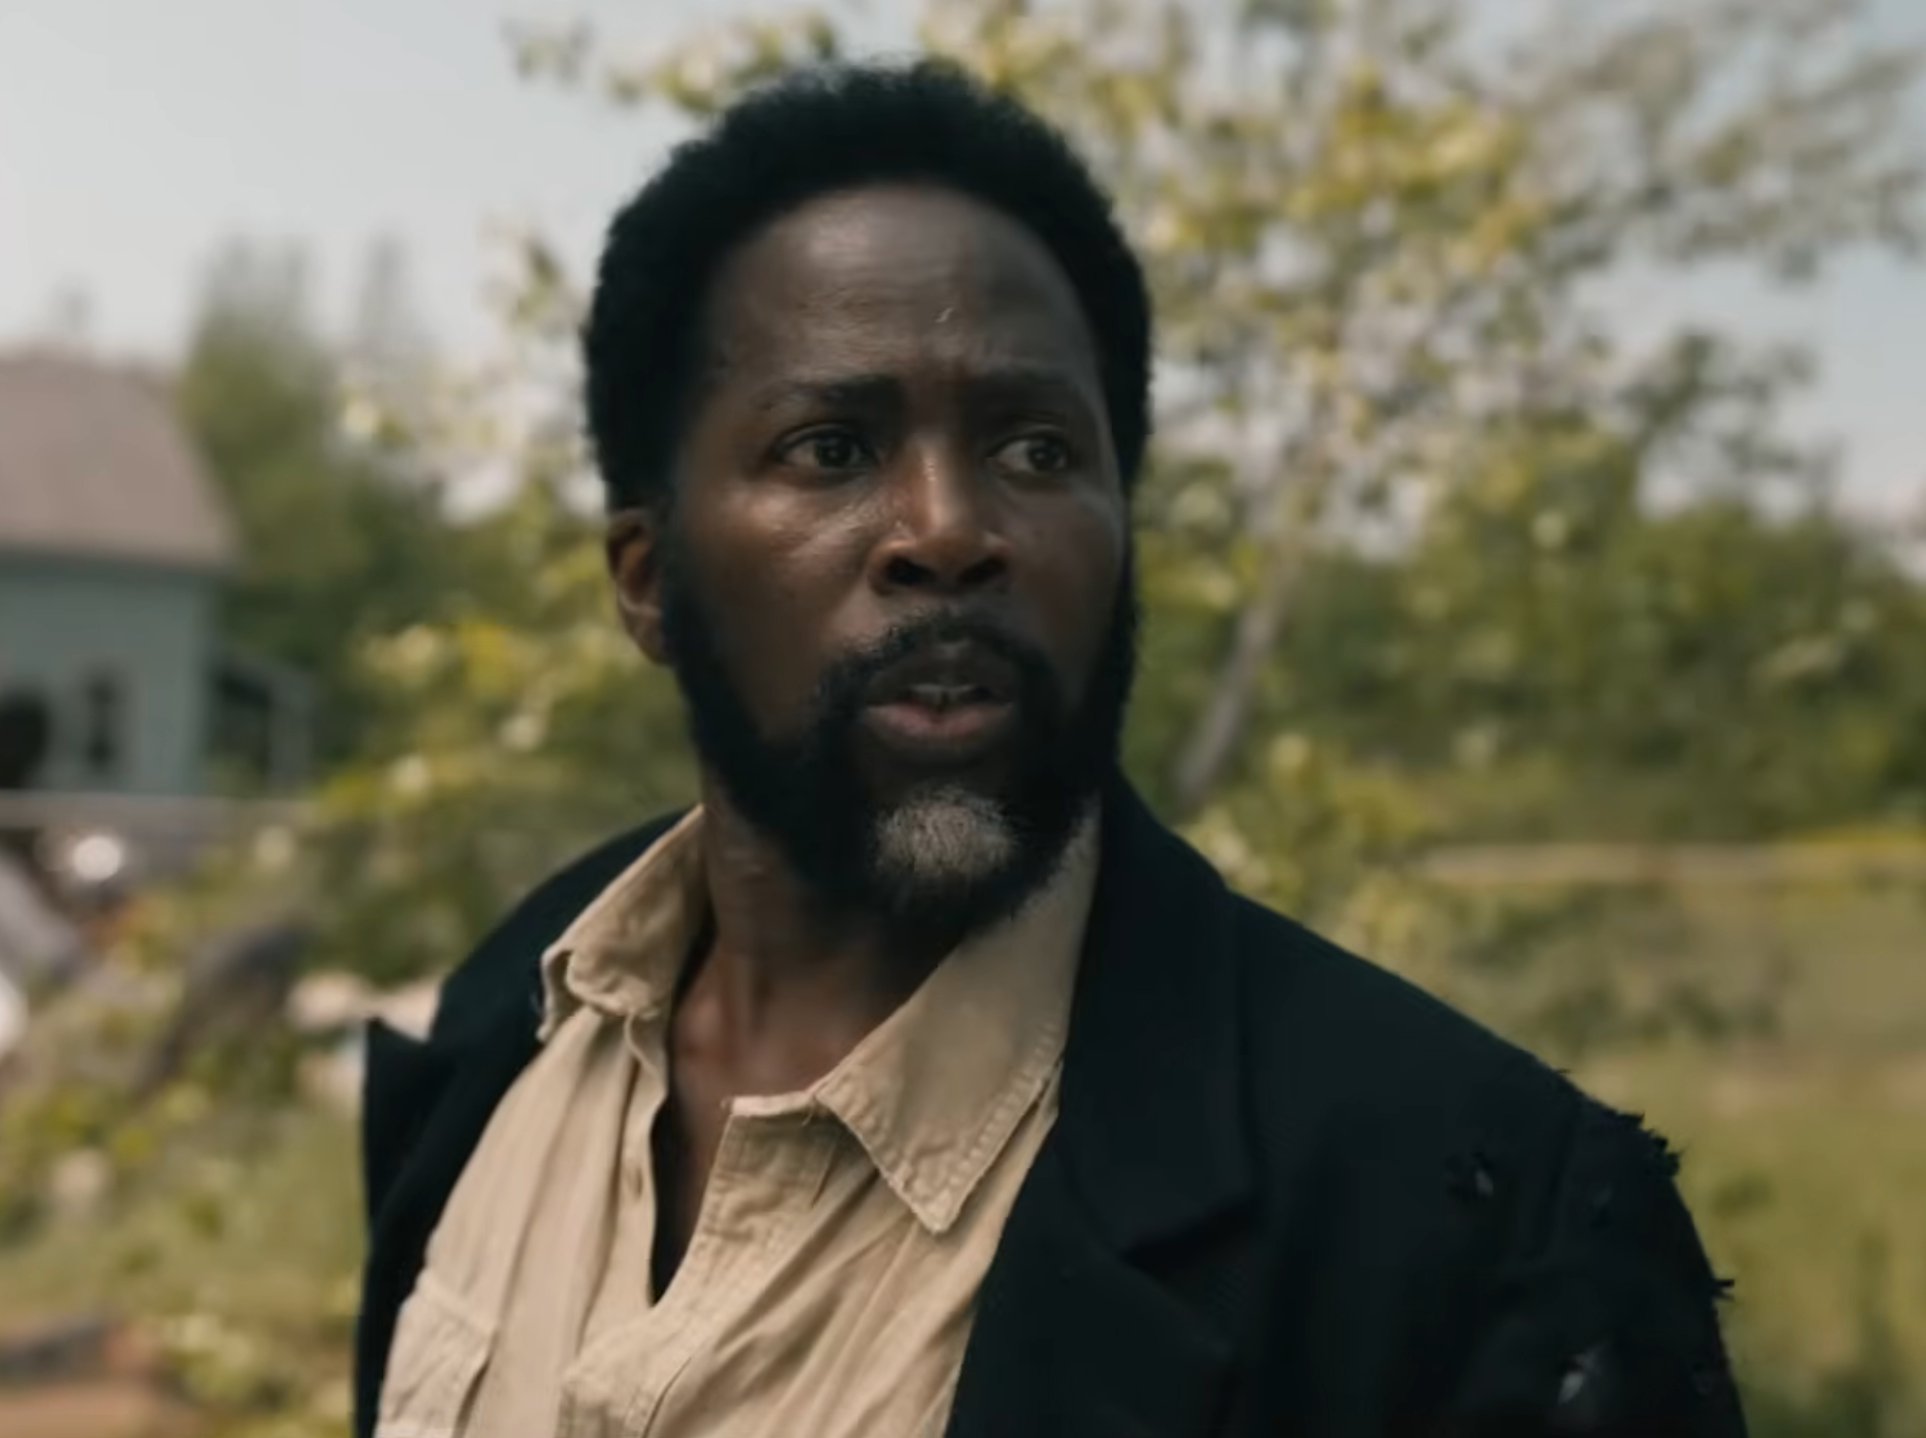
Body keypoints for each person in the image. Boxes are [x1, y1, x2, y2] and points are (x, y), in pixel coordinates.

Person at [355, 60, 1746, 1438]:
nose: (950, 529)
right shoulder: (506, 1027)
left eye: (1034, 450)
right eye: (831, 448)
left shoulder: (1472, 1234)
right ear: (650, 580)